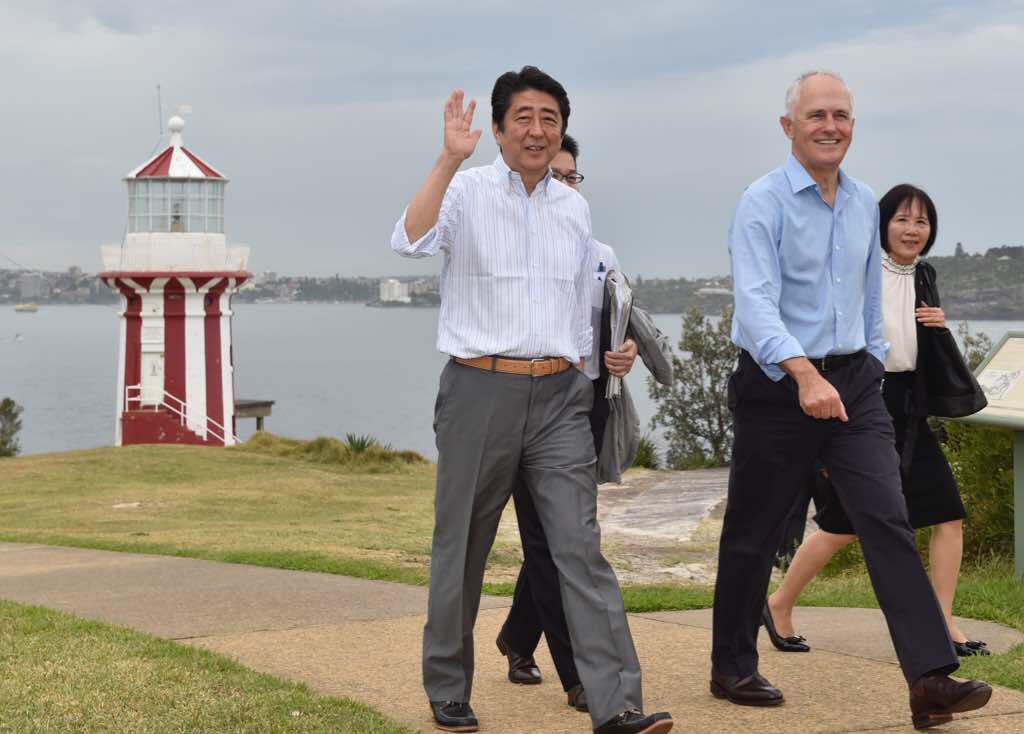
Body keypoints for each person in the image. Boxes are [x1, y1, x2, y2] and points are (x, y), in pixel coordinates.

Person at [390, 66, 672, 734]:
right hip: (477, 389)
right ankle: (449, 686)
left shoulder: (574, 208)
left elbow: (579, 306)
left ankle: (618, 704)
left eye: (550, 118)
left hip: (559, 399)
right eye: (524, 116)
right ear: (497, 128)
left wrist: (600, 361)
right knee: (462, 546)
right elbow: (409, 239)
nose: (538, 129)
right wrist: (446, 159)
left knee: (581, 548)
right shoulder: (464, 191)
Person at [711, 69, 992, 730]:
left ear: (852, 126)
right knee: (752, 531)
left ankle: (929, 680)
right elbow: (753, 306)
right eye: (817, 115)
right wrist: (805, 375)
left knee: (887, 517)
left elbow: (869, 302)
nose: (830, 126)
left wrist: (863, 361)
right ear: (789, 127)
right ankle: (732, 666)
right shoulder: (763, 202)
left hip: (855, 386)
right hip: (776, 385)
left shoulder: (865, 201)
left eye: (841, 115)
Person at [765, 184, 990, 657]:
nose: (913, 230)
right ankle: (779, 604)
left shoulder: (923, 275)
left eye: (923, 222)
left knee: (947, 514)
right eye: (903, 219)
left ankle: (943, 622)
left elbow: (913, 344)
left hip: (910, 407)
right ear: (883, 223)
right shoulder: (863, 272)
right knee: (843, 525)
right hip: (865, 401)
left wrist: (935, 326)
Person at [495, 134, 639, 715]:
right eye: (555, 175)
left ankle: (515, 636)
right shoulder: (510, 247)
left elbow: (620, 324)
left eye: (573, 176)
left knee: (566, 541)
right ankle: (578, 675)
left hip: (587, 407)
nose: (564, 184)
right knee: (549, 541)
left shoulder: (602, 252)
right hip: (527, 406)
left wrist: (624, 353)